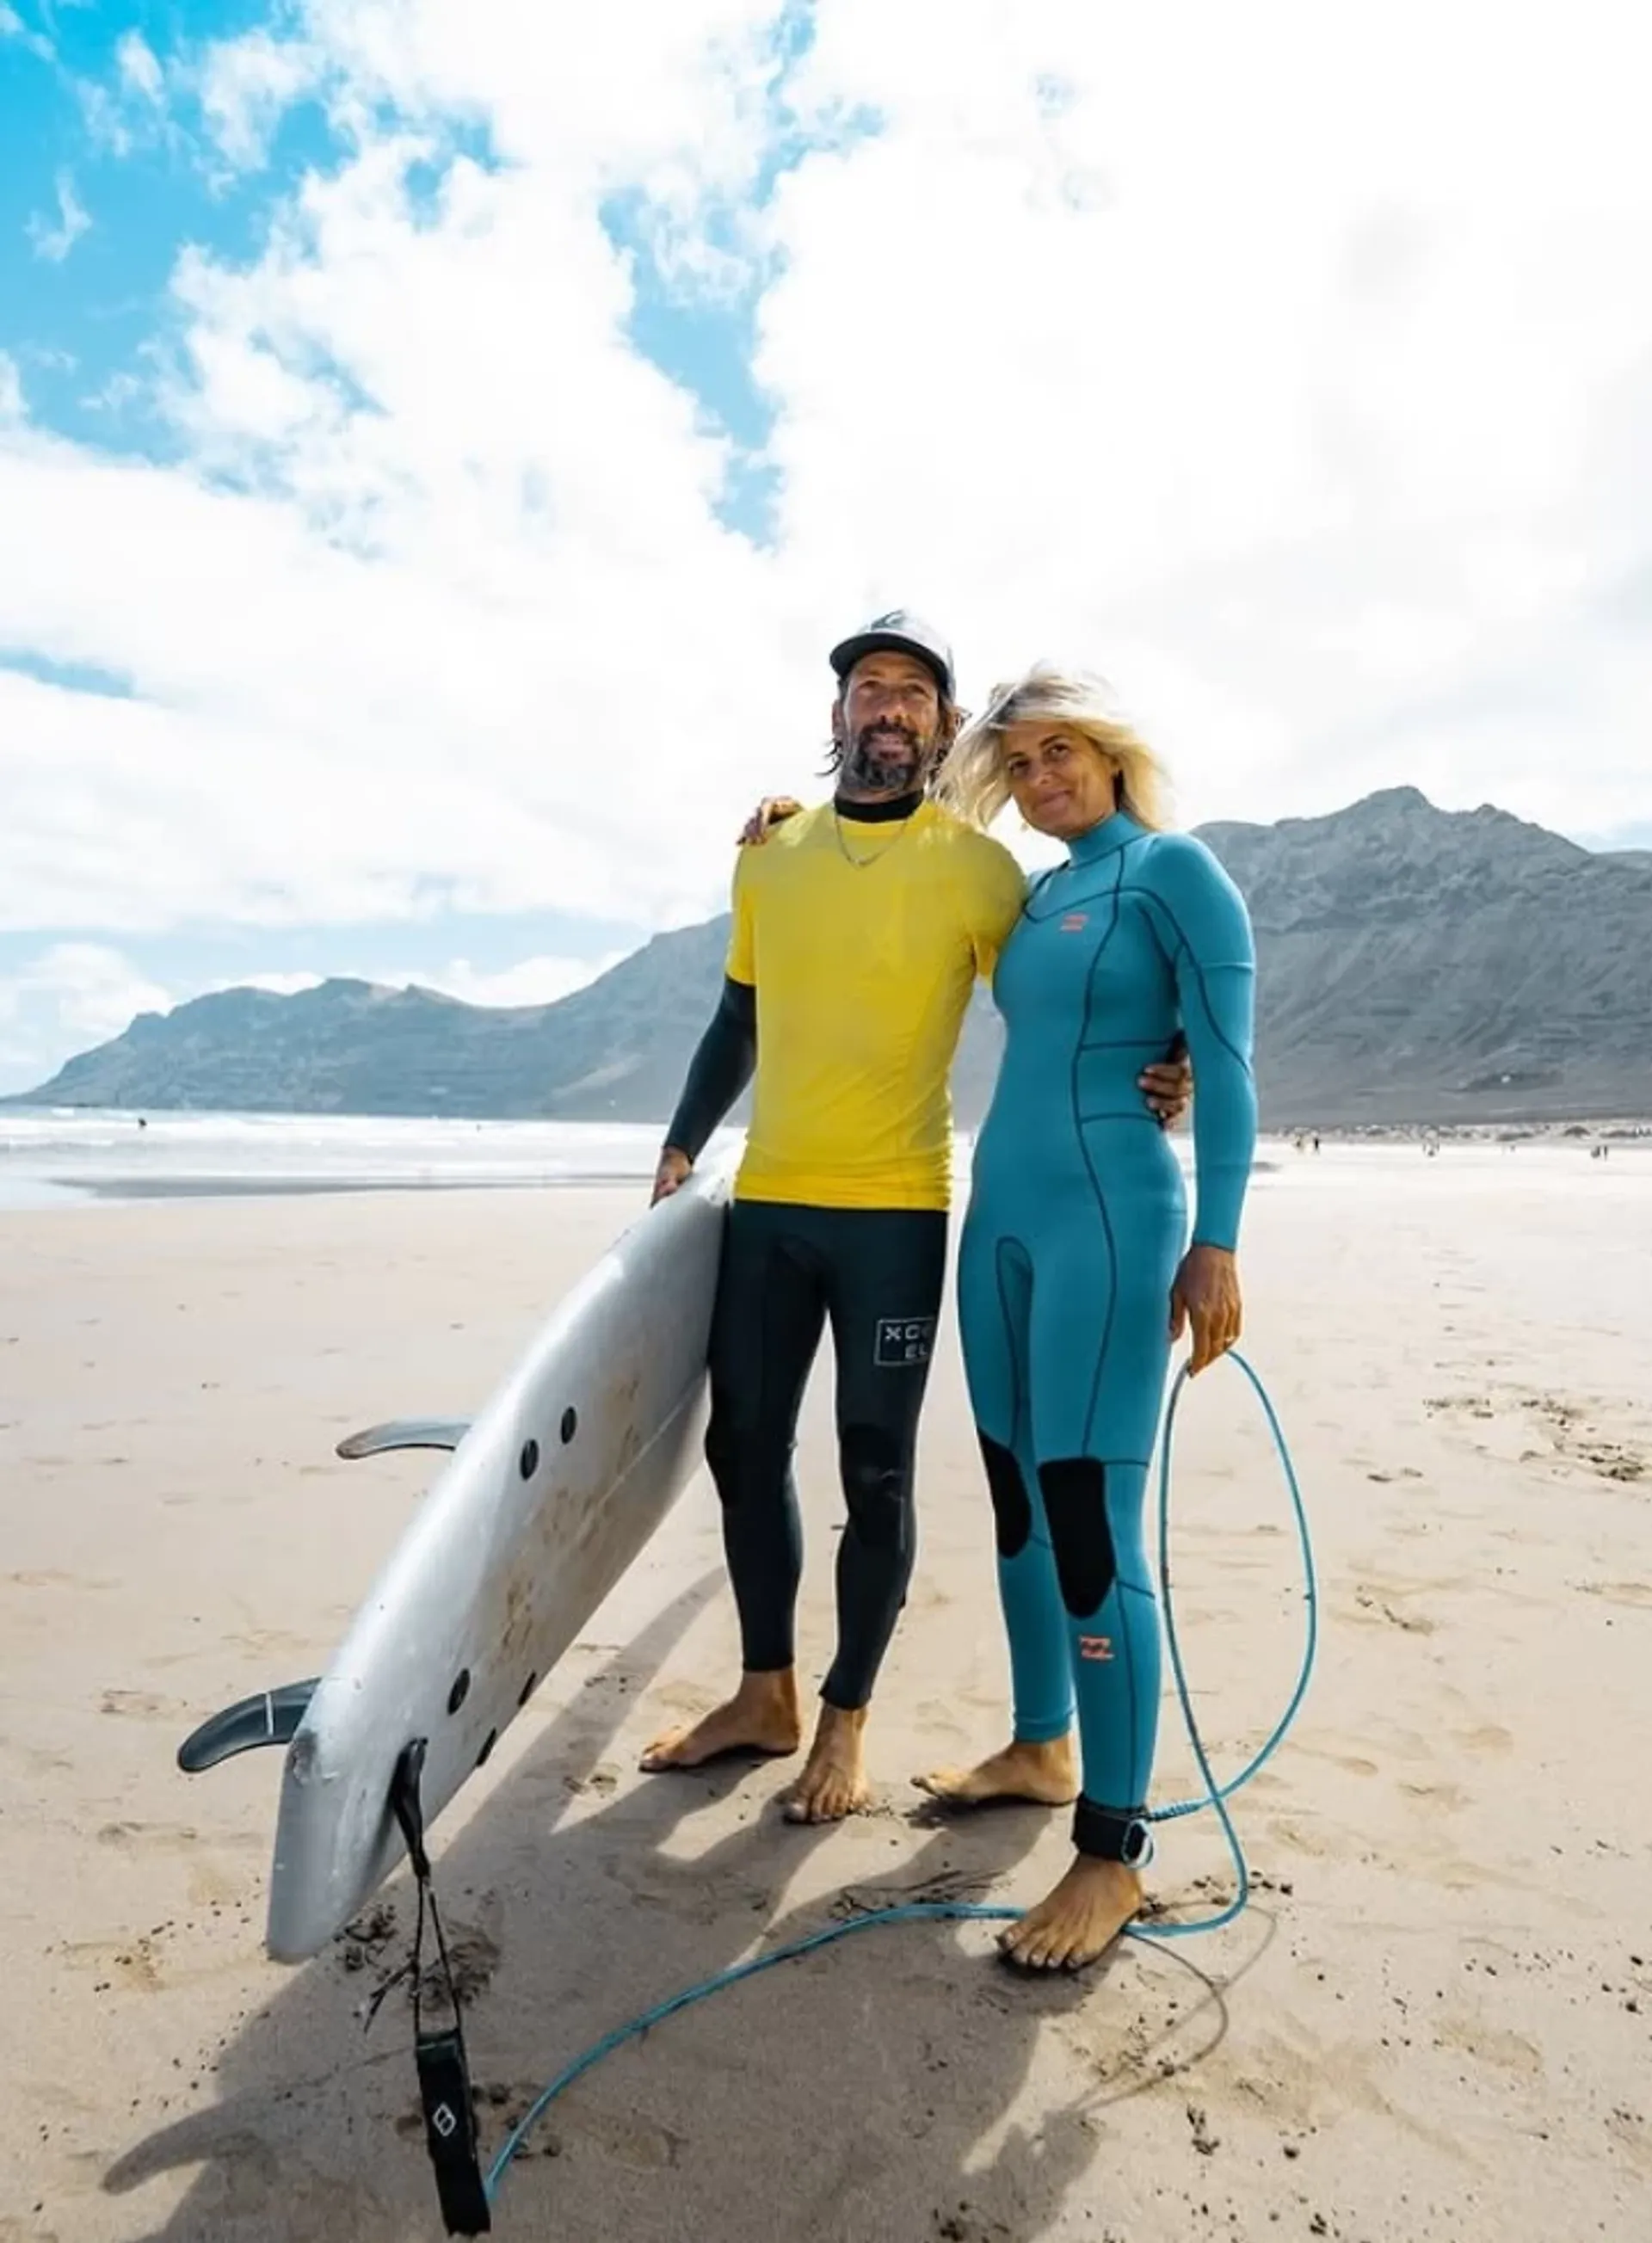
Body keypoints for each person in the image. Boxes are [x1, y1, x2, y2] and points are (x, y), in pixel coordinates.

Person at [638, 613, 1193, 1825]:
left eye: (912, 692)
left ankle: (845, 1718)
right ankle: (765, 1692)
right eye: (867, 687)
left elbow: (1068, 992)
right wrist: (684, 1139)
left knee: (875, 1469)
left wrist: (1178, 1053)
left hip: (895, 1210)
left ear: (943, 729)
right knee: (743, 1450)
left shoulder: (981, 871)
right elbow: (738, 1016)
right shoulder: (770, 854)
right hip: (772, 1198)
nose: (886, 705)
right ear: (837, 717)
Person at [912, 662, 1258, 1972]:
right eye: (1023, 762)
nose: (1045, 777)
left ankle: (1113, 1847)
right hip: (997, 1215)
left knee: (1083, 1510)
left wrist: (1217, 1244)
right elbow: (906, 826)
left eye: (1065, 752)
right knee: (1009, 1487)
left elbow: (1222, 1072)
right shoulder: (1042, 892)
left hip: (1113, 1217)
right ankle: (1042, 1739)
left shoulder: (1176, 874)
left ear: (1113, 757)